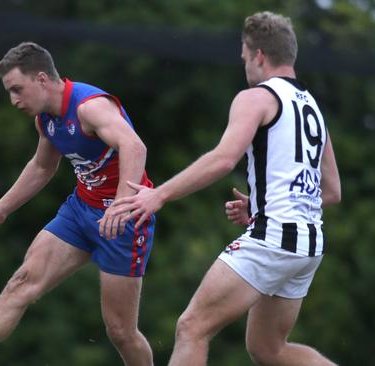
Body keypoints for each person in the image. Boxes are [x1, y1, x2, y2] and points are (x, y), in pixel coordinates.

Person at [109, 11, 341, 365]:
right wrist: (262, 202)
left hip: (274, 238)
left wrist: (159, 194)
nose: (245, 64)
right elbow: (332, 191)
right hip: (308, 245)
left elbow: (222, 159)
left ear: (259, 55)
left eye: (245, 57)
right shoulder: (313, 109)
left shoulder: (256, 98)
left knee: (191, 327)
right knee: (268, 349)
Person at [0, 42, 156, 366]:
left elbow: (135, 147)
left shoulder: (89, 107)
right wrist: (2, 208)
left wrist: (122, 204)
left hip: (124, 220)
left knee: (121, 332)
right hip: (81, 210)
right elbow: (42, 167)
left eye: (17, 89)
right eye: (9, 93)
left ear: (41, 79)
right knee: (22, 281)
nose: (13, 101)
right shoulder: (46, 119)